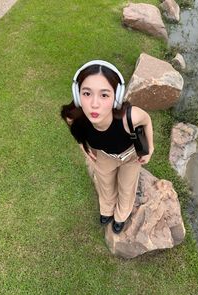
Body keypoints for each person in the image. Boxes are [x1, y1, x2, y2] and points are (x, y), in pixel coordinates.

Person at [61, 60, 154, 234]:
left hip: (130, 157)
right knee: (105, 185)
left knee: (126, 189)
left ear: (116, 97)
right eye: (87, 93)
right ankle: (107, 210)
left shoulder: (130, 117)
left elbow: (147, 121)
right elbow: (78, 135)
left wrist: (150, 149)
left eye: (104, 95)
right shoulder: (75, 117)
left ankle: (121, 216)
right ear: (77, 94)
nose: (94, 104)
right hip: (104, 156)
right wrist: (84, 149)